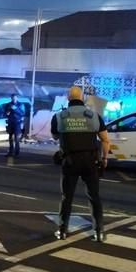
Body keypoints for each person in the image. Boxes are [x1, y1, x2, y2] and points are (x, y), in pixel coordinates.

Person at [51, 86, 110, 242]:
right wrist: (104, 159)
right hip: (90, 161)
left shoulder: (59, 116)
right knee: (94, 197)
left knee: (67, 197)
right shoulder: (94, 116)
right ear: (82, 98)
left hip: (69, 161)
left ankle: (62, 231)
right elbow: (105, 140)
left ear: (68, 98)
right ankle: (98, 232)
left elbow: (55, 137)